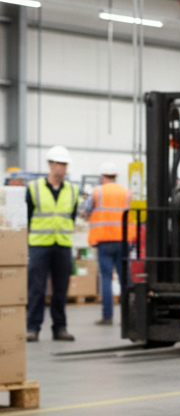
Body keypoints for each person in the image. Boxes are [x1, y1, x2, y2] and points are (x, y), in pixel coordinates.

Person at [26, 145, 80, 343]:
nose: (63, 169)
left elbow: (71, 216)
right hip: (39, 244)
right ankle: (32, 328)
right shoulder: (34, 188)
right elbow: (28, 215)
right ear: (50, 164)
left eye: (65, 165)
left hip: (62, 244)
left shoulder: (73, 190)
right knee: (36, 288)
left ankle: (60, 328)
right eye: (59, 164)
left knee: (60, 290)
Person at [82, 161, 132, 326]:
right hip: (123, 240)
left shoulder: (97, 192)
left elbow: (85, 211)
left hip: (104, 241)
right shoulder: (126, 192)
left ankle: (107, 316)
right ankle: (129, 315)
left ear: (103, 176)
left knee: (106, 279)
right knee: (125, 279)